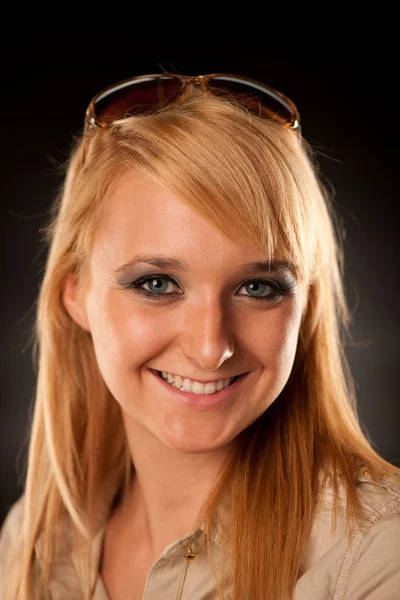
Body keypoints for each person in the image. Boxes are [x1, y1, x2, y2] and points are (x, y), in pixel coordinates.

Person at [0, 72, 399, 600]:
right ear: (76, 293)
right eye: (157, 283)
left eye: (258, 287)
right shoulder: (29, 541)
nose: (212, 348)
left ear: (305, 305)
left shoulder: (378, 552)